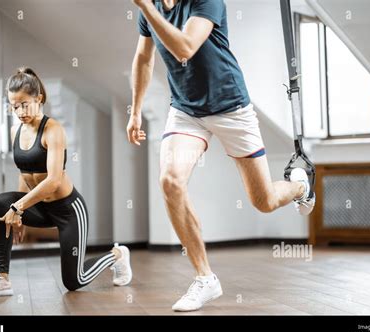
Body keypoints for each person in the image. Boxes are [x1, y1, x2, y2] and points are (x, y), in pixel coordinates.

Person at [128, 0, 315, 311]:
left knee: (264, 201)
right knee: (170, 181)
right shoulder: (150, 8)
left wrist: (148, 9)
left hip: (231, 105)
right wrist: (135, 111)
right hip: (186, 110)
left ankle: (300, 186)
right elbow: (143, 58)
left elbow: (185, 47)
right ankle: (205, 279)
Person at [0, 67, 132, 298]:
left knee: (74, 281)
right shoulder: (14, 131)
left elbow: (54, 180)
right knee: (1, 203)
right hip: (40, 208)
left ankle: (117, 255)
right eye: (14, 105)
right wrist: (19, 215)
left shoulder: (53, 129)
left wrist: (19, 207)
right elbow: (23, 174)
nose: (19, 111)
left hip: (68, 210)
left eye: (24, 104)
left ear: (38, 99)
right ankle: (1, 278)